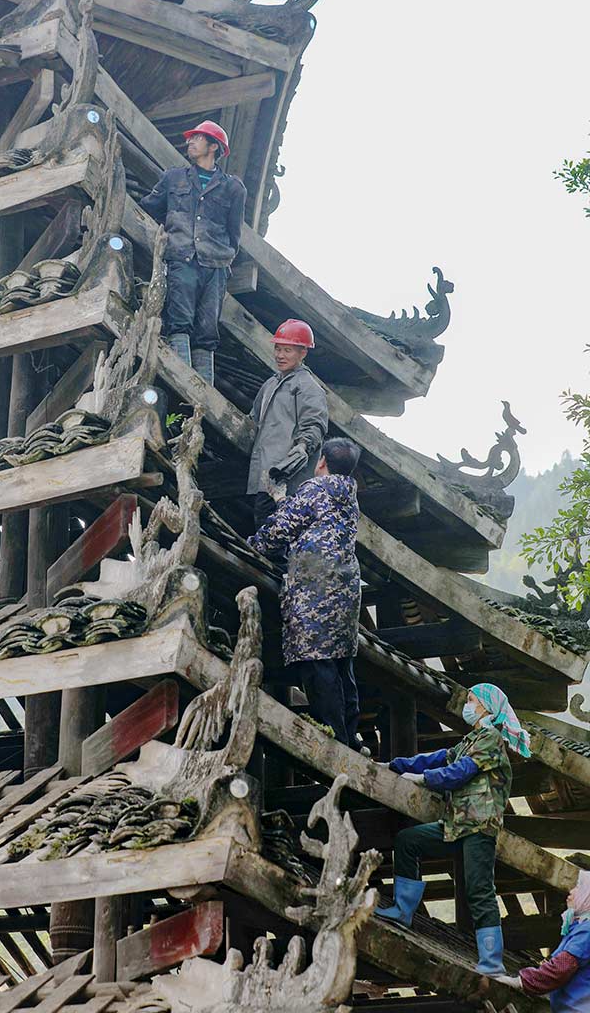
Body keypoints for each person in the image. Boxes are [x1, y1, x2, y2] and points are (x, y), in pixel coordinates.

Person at [375, 683, 531, 977]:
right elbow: (434, 758)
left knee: (478, 890)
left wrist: (423, 780)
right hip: (456, 824)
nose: (467, 705)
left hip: (479, 826)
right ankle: (402, 910)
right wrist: (393, 766)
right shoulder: (469, 741)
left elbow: (459, 773)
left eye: (471, 700)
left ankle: (491, 962)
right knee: (408, 840)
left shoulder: (491, 740)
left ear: (485, 707)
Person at [248, 437, 363, 750]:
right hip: (345, 588)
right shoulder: (348, 496)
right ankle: (350, 735)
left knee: (316, 662)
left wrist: (253, 545)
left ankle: (334, 738)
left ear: (322, 461)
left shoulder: (315, 488)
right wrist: (283, 500)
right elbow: (310, 520)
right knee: (341, 662)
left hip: (315, 590)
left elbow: (281, 529)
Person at [140, 119, 246, 387]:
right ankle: (181, 383)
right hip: (181, 259)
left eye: (198, 138)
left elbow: (235, 233)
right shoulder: (172, 178)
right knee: (179, 321)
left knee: (207, 331)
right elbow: (148, 208)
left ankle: (202, 392)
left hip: (216, 264)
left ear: (214, 146)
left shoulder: (233, 188)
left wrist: (224, 256)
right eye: (191, 138)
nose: (190, 141)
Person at [248, 319, 329, 531]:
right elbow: (253, 418)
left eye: (287, 350)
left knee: (276, 536)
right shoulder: (271, 383)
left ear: (303, 353)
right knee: (263, 529)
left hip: (285, 480)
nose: (280, 355)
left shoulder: (308, 387)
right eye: (277, 348)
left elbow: (314, 426)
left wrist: (302, 447)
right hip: (263, 475)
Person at [495, 870, 590, 1009]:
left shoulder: (586, 931)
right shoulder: (577, 925)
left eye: (579, 888)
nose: (572, 891)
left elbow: (561, 967)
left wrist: (523, 981)